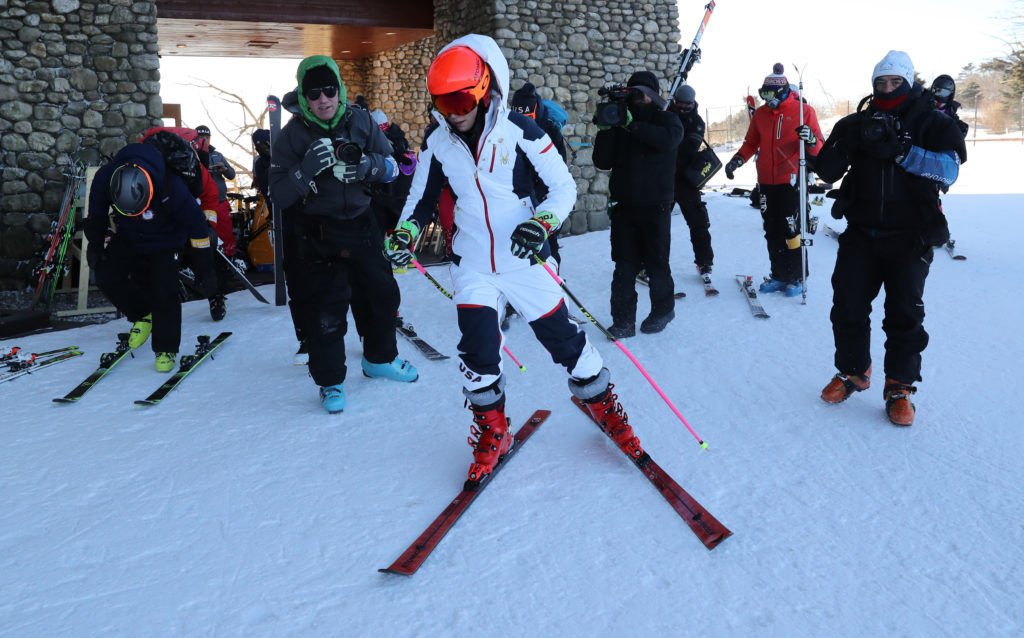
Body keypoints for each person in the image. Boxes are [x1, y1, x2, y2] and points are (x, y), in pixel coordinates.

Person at [386, 35, 645, 483]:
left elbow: (564, 188)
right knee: (477, 350)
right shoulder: (437, 140)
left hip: (525, 260)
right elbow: (420, 199)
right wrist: (406, 231)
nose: (456, 110)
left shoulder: (522, 130)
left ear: (484, 86)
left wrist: (542, 223)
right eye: (444, 102)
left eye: (463, 97)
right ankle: (493, 431)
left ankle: (605, 407)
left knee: (564, 342)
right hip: (472, 264)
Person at [814, 50, 966, 426]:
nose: (887, 88)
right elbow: (827, 171)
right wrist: (838, 144)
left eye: (895, 82)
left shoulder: (933, 122)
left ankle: (899, 387)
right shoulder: (857, 123)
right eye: (880, 82)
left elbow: (949, 170)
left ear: (909, 82)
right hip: (861, 233)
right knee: (847, 306)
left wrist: (903, 152)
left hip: (910, 235)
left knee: (904, 314)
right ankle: (853, 371)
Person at [268, 54, 415, 414]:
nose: (323, 100)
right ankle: (330, 381)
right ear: (303, 96)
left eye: (329, 90)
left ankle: (379, 360)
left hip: (363, 226)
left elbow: (394, 168)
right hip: (317, 235)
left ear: (339, 89)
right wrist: (306, 171)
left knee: (380, 295)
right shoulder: (291, 136)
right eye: (314, 93)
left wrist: (368, 166)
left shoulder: (361, 121)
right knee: (325, 310)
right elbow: (278, 194)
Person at [84, 143, 217, 372]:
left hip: (167, 239)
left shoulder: (171, 186)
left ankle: (165, 347)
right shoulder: (105, 177)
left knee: (164, 290)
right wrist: (95, 244)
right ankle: (142, 315)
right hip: (129, 236)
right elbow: (96, 212)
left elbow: (197, 229)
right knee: (106, 274)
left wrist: (206, 270)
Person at [593, 70, 683, 336]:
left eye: (643, 91)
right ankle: (623, 321)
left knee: (657, 264)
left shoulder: (668, 120)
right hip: (625, 207)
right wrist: (607, 131)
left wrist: (632, 125)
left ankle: (663, 311)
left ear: (654, 95)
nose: (638, 97)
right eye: (634, 91)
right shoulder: (618, 122)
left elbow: (667, 140)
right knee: (624, 266)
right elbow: (602, 161)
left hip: (656, 206)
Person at [724, 63, 824, 296]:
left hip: (791, 180)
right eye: (764, 95)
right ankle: (779, 275)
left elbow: (819, 149)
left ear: (783, 92)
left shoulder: (804, 111)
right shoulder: (760, 114)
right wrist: (738, 160)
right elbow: (751, 142)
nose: (767, 100)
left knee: (792, 230)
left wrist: (809, 140)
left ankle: (798, 277)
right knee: (772, 230)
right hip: (767, 182)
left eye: (771, 95)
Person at [668, 83, 714, 276]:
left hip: (687, 179)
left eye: (687, 104)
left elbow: (688, 148)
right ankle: (648, 262)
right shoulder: (665, 114)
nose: (683, 108)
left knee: (698, 222)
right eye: (680, 103)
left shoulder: (696, 121)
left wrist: (668, 141)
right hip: (664, 178)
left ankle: (704, 262)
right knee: (657, 223)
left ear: (693, 103)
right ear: (675, 100)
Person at [251, 128, 271, 198]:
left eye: (266, 143)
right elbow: (264, 188)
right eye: (261, 147)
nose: (266, 148)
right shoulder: (259, 163)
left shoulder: (283, 154)